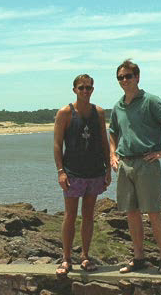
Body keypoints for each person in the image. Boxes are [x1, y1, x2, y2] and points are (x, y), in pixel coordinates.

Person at [108, 59, 161, 274]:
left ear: (137, 77)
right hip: (125, 164)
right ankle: (139, 258)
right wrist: (112, 154)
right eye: (120, 77)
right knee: (131, 213)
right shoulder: (118, 106)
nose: (124, 80)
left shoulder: (150, 101)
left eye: (128, 76)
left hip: (146, 164)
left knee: (153, 212)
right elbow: (112, 131)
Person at [54, 74, 111, 276]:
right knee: (70, 215)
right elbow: (57, 144)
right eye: (81, 88)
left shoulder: (99, 113)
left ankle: (85, 256)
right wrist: (61, 171)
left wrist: (108, 169)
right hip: (73, 173)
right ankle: (66, 258)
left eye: (88, 88)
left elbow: (104, 141)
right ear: (75, 90)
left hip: (94, 171)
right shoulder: (65, 113)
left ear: (92, 90)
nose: (85, 91)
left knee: (88, 215)